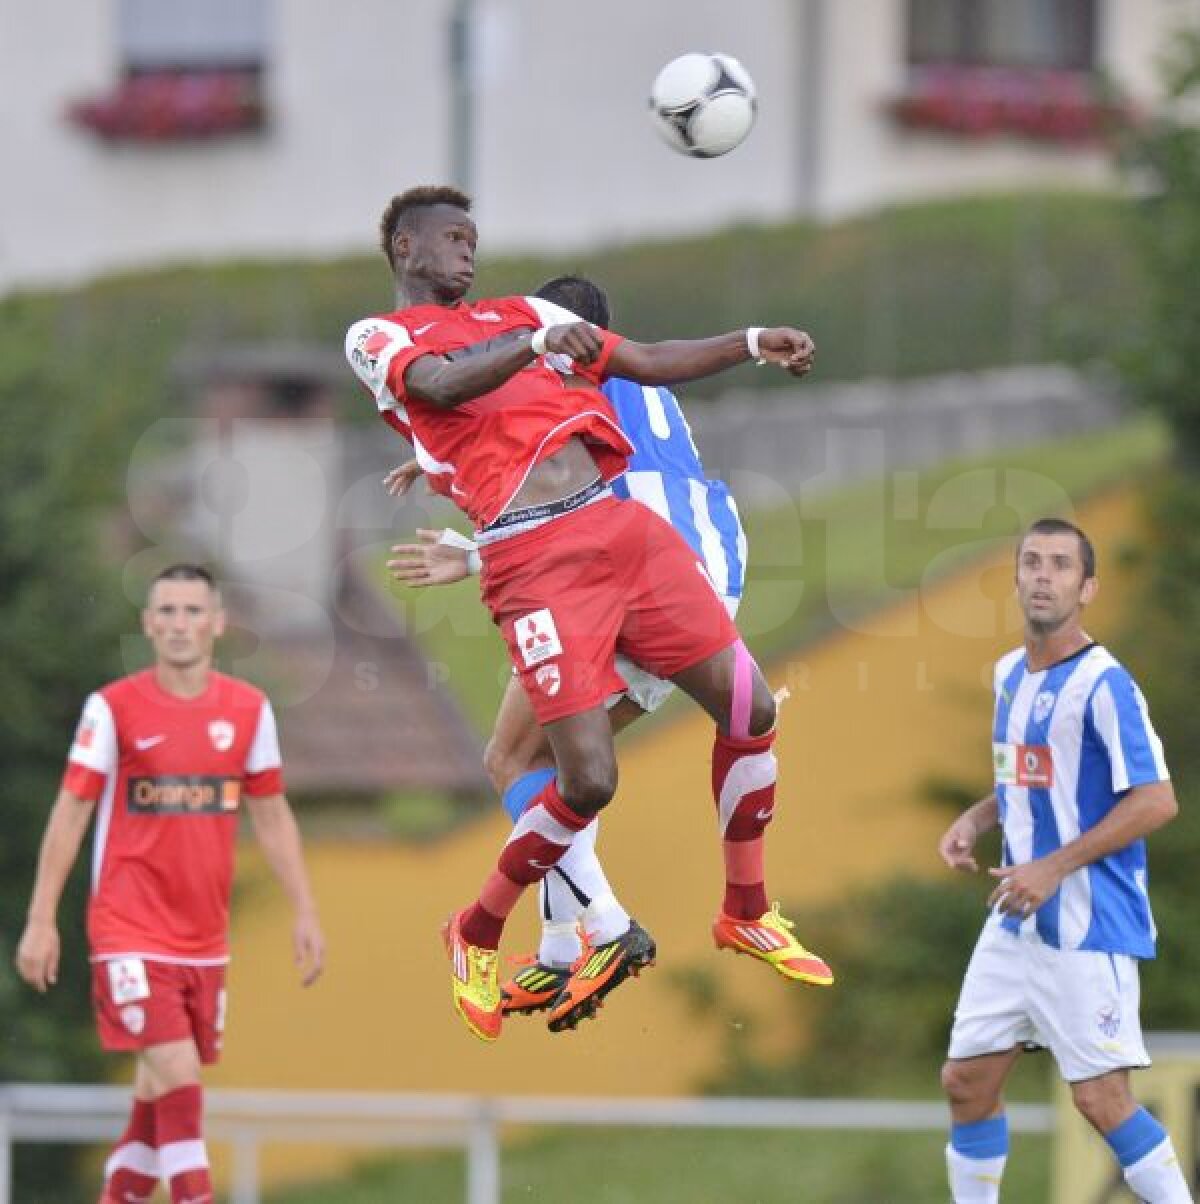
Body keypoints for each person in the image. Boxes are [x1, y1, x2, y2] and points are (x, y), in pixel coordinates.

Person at [345, 184, 832, 1044]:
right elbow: (443, 386)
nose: (468, 250)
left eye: (474, 237)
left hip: (622, 526)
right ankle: (482, 926)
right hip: (535, 559)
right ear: (405, 252)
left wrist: (753, 342)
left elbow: (644, 358)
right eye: (451, 238)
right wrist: (533, 341)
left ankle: (743, 910)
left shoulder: (521, 310)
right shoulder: (380, 336)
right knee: (588, 780)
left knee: (752, 709)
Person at [386, 273, 751, 1032]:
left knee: (516, 762)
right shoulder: (636, 384)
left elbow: (579, 514)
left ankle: (605, 931)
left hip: (649, 575)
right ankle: (559, 948)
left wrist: (478, 557)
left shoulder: (563, 372)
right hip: (706, 565)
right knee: (557, 765)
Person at [15, 564, 325, 1204]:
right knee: (179, 1074)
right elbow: (72, 809)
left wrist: (305, 910)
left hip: (203, 939)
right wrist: (42, 917)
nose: (179, 624)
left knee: (157, 1098)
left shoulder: (247, 711)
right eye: (167, 612)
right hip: (128, 929)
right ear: (148, 625)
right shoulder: (113, 708)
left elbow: (270, 814)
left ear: (215, 624)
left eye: (192, 612)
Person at [937, 518, 1190, 1204]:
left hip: (1086, 922)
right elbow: (1031, 775)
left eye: (1059, 565)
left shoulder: (1106, 685)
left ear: (1088, 588)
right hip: (1013, 921)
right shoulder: (1008, 674)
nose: (1043, 575)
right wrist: (978, 817)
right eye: (1031, 562)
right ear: (1016, 577)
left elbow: (1157, 800)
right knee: (966, 1083)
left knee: (1102, 1100)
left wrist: (1053, 865)